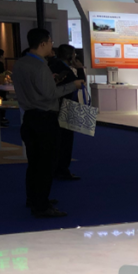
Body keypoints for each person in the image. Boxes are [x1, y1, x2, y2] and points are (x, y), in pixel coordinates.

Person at [12, 29, 83, 218]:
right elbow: (50, 94)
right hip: (45, 118)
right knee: (46, 164)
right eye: (50, 42)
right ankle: (41, 205)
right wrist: (73, 85)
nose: (52, 46)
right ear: (43, 43)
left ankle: (34, 198)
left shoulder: (20, 64)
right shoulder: (40, 66)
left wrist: (52, 81)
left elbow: (36, 88)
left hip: (29, 117)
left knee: (34, 162)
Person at [48, 44, 85, 180]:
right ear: (70, 55)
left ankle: (58, 168)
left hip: (59, 105)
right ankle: (62, 169)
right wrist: (80, 69)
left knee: (59, 140)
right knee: (66, 141)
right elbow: (81, 83)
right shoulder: (64, 69)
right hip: (66, 105)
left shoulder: (53, 65)